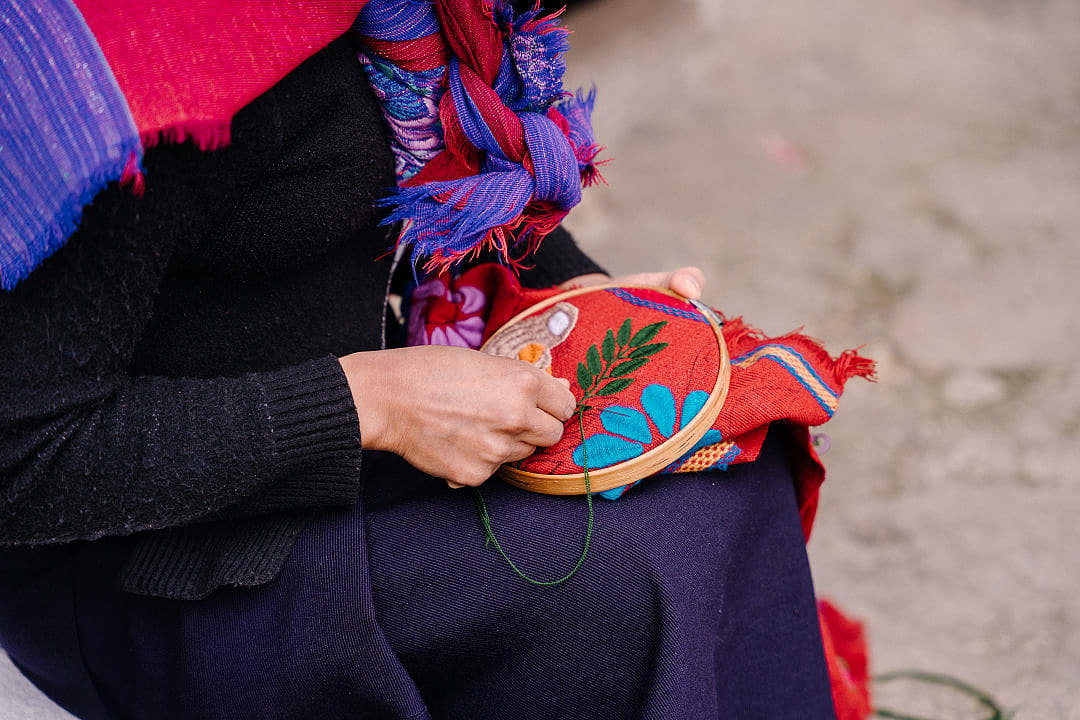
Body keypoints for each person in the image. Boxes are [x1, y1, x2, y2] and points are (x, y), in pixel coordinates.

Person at [0, 1, 838, 718]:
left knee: (732, 448)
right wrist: (372, 403)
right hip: (158, 560)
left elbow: (424, 189)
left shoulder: (394, 18)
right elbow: (23, 458)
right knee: (639, 575)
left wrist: (575, 300)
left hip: (338, 416)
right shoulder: (107, 81)